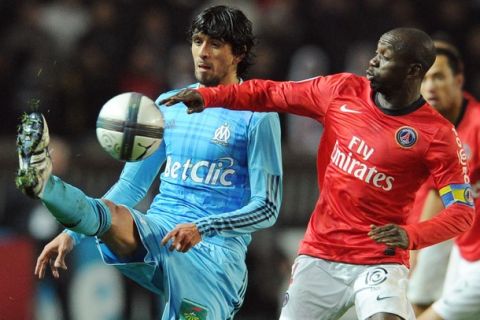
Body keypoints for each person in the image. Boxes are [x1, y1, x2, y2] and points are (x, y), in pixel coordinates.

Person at [160, 28, 475, 320]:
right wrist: (211, 97)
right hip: (321, 254)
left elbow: (462, 212)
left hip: (380, 259)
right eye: (376, 52)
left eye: (385, 56)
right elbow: (269, 93)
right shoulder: (341, 92)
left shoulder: (437, 135)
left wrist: (411, 235)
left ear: (414, 71)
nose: (373, 61)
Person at [16, 5, 283, 319]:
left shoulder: (257, 116)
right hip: (159, 232)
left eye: (214, 44)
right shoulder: (168, 106)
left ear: (239, 52)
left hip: (214, 258)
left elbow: (267, 207)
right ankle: (45, 183)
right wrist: (72, 234)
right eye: (198, 41)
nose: (202, 52)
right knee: (112, 215)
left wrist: (202, 227)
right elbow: (131, 185)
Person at [411, 43, 480, 320]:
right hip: (459, 238)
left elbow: (439, 194)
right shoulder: (423, 124)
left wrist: (413, 247)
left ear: (458, 80)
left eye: (438, 76)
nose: (430, 86)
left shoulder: (475, 126)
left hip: (446, 230)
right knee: (417, 302)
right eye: (424, 78)